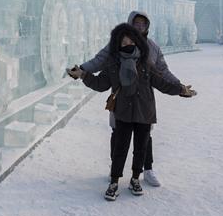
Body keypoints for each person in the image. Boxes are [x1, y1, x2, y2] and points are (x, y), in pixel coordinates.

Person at [68, 10, 188, 188]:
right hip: (121, 101)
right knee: (118, 134)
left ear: (147, 26)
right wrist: (81, 70)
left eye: (143, 24)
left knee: (144, 137)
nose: (139, 26)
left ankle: (147, 170)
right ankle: (115, 170)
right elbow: (100, 61)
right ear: (129, 24)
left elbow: (161, 72)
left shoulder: (152, 47)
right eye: (136, 23)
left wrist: (179, 86)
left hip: (143, 101)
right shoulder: (115, 45)